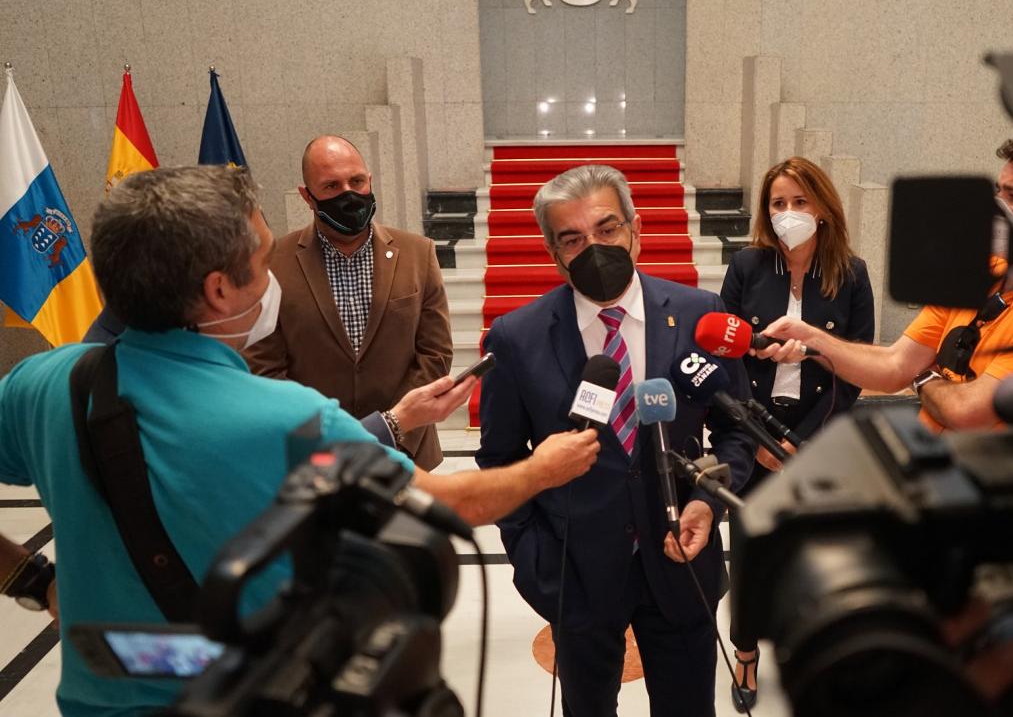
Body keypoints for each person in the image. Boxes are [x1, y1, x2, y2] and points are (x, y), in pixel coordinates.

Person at [0, 166, 600, 717]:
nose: (271, 279)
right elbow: (453, 505)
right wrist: (542, 468)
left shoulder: (43, 383)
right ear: (218, 290)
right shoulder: (286, 416)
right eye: (263, 262)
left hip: (96, 699)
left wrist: (32, 580)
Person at [757, 137, 1013, 595]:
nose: (996, 207)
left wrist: (923, 374)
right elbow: (892, 365)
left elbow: (968, 409)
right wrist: (813, 340)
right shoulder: (979, 273)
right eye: (999, 190)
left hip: (1008, 565)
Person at [476, 164, 755, 717]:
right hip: (574, 573)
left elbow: (735, 430)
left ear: (636, 230)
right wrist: (533, 559)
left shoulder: (700, 315)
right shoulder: (517, 337)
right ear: (553, 252)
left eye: (606, 230)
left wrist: (706, 502)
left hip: (681, 558)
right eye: (572, 238)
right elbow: (500, 461)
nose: (593, 247)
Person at [719, 156, 875, 711]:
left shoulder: (852, 274)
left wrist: (799, 445)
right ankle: (746, 652)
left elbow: (855, 371)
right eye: (778, 203)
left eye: (800, 202)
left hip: (817, 434)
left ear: (824, 209)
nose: (788, 214)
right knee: (751, 549)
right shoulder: (747, 266)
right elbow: (723, 352)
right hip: (751, 430)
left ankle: (811, 646)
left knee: (815, 553)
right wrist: (759, 439)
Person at [245, 135, 453, 470]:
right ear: (307, 196)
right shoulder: (272, 262)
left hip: (407, 453)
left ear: (369, 180)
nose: (348, 194)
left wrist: (395, 429)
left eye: (356, 181)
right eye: (331, 186)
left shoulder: (418, 253)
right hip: (311, 456)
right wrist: (328, 437)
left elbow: (435, 353)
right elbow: (264, 367)